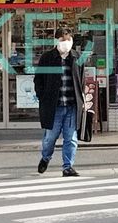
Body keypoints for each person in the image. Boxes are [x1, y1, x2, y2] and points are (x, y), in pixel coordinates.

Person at [33, 28, 83, 177]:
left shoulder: (76, 57)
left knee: (71, 138)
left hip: (72, 105)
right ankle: (45, 157)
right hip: (54, 106)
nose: (65, 44)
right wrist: (43, 96)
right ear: (56, 41)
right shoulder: (47, 58)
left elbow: (81, 79)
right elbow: (38, 80)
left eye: (68, 40)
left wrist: (82, 99)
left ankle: (68, 166)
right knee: (50, 138)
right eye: (62, 40)